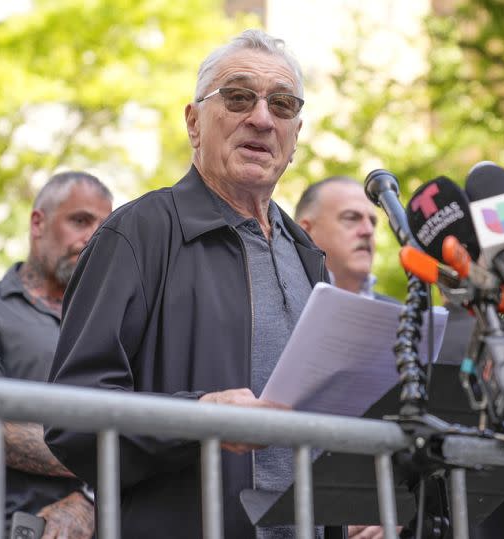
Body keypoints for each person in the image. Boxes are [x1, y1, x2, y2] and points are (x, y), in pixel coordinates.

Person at [44, 30, 330, 538]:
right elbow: (72, 420)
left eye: (282, 105)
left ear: (296, 133)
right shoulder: (135, 234)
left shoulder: (309, 257)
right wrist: (196, 418)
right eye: (239, 97)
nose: (262, 118)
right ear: (194, 121)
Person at [0, 171, 113, 538]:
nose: (92, 239)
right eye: (80, 220)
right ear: (38, 223)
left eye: (103, 229)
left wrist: (91, 497)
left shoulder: (117, 327)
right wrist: (120, 458)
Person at [295, 176, 382, 297]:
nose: (368, 230)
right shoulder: (271, 305)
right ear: (305, 232)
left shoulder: (402, 314)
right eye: (351, 218)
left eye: (373, 222)